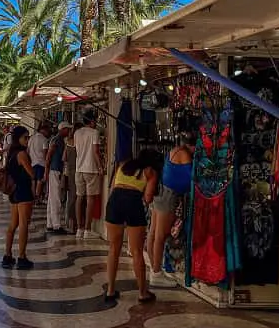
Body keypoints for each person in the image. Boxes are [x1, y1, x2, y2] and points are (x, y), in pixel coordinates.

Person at [103, 149, 164, 304]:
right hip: (133, 202)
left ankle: (110, 290)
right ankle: (143, 293)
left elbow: (113, 187)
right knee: (136, 251)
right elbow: (148, 198)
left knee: (113, 248)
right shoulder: (150, 171)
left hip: (115, 201)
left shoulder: (124, 164)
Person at [149, 133, 194, 285]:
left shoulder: (174, 150)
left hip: (161, 192)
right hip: (168, 196)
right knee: (160, 236)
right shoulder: (185, 154)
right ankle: (156, 273)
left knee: (154, 233)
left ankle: (154, 269)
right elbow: (190, 177)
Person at [2, 125, 35, 270]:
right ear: (18, 138)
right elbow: (31, 173)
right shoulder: (21, 154)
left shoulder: (11, 152)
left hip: (14, 191)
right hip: (23, 190)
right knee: (23, 225)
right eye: (25, 137)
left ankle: (8, 255)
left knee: (12, 225)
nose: (27, 140)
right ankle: (22, 256)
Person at [73, 110, 102, 238]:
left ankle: (79, 229)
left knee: (79, 198)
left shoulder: (77, 132)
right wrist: (100, 166)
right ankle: (87, 230)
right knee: (90, 199)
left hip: (79, 168)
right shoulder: (94, 132)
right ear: (92, 121)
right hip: (91, 168)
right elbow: (96, 151)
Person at [45, 122, 71, 233]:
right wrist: (46, 170)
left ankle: (50, 223)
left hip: (54, 170)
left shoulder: (57, 139)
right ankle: (56, 225)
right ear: (63, 129)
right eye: (68, 129)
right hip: (55, 170)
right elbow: (49, 155)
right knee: (55, 197)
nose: (69, 131)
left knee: (52, 198)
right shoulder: (57, 140)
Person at [28, 123, 50, 205]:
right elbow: (45, 154)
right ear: (44, 130)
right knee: (40, 181)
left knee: (33, 181)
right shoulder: (44, 139)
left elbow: (28, 150)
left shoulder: (31, 138)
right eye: (48, 131)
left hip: (32, 163)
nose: (48, 133)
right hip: (41, 163)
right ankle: (37, 197)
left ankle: (33, 197)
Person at [63, 124, 78, 233]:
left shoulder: (68, 142)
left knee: (71, 197)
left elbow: (64, 158)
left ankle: (70, 223)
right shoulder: (78, 142)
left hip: (69, 172)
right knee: (76, 197)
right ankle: (75, 225)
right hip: (77, 170)